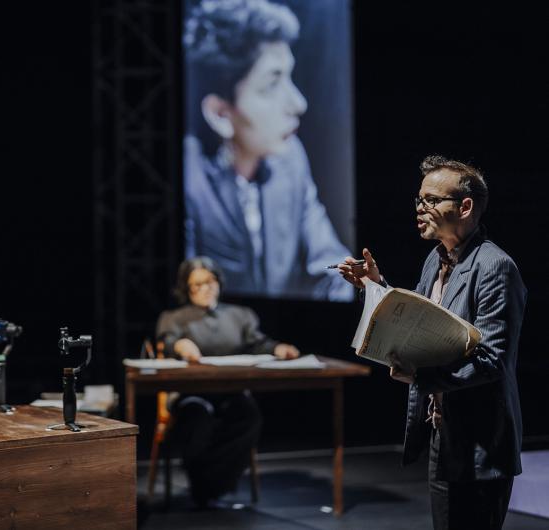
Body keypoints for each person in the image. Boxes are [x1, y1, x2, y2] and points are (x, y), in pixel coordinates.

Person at [338, 156, 527, 530]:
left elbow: (492, 360)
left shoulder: (494, 266)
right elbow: (416, 322)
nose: (420, 209)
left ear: (465, 206)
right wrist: (375, 287)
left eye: (431, 200)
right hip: (444, 434)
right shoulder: (435, 260)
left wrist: (420, 378)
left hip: (480, 442)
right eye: (419, 201)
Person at [183, 0, 354, 300]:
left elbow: (330, 266)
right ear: (220, 114)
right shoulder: (188, 176)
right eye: (272, 85)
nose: (298, 103)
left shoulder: (291, 160)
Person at [155, 256, 300, 505]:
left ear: (218, 283)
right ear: (186, 288)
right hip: (192, 392)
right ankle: (202, 487)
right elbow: (167, 342)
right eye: (196, 285)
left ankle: (213, 484)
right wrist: (180, 344)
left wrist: (278, 349)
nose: (205, 289)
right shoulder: (174, 318)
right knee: (196, 418)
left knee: (249, 416)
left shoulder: (239, 315)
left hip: (230, 391)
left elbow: (257, 343)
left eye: (209, 281)